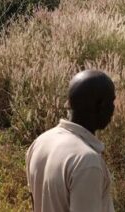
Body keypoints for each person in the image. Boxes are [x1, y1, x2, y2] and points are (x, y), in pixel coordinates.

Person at [26, 70, 116, 212]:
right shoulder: (87, 161)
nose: (113, 109)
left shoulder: (41, 142)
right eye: (112, 101)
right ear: (101, 106)